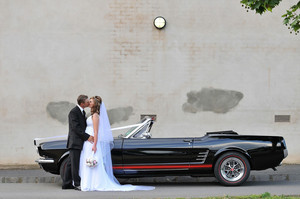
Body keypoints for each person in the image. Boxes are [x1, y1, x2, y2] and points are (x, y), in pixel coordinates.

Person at [79, 96, 155, 191]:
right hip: (88, 141)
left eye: (90, 101)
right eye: (88, 101)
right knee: (88, 161)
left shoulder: (95, 116)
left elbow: (96, 132)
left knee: (93, 162)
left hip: (92, 141)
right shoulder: (92, 115)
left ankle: (94, 183)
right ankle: (88, 183)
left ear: (95, 104)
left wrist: (94, 144)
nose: (89, 103)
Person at [62, 95, 94, 190]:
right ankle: (76, 183)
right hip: (75, 142)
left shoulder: (82, 112)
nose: (89, 103)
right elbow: (76, 128)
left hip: (78, 142)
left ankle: (66, 184)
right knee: (74, 164)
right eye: (87, 102)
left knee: (70, 164)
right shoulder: (74, 112)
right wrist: (87, 137)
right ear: (82, 103)